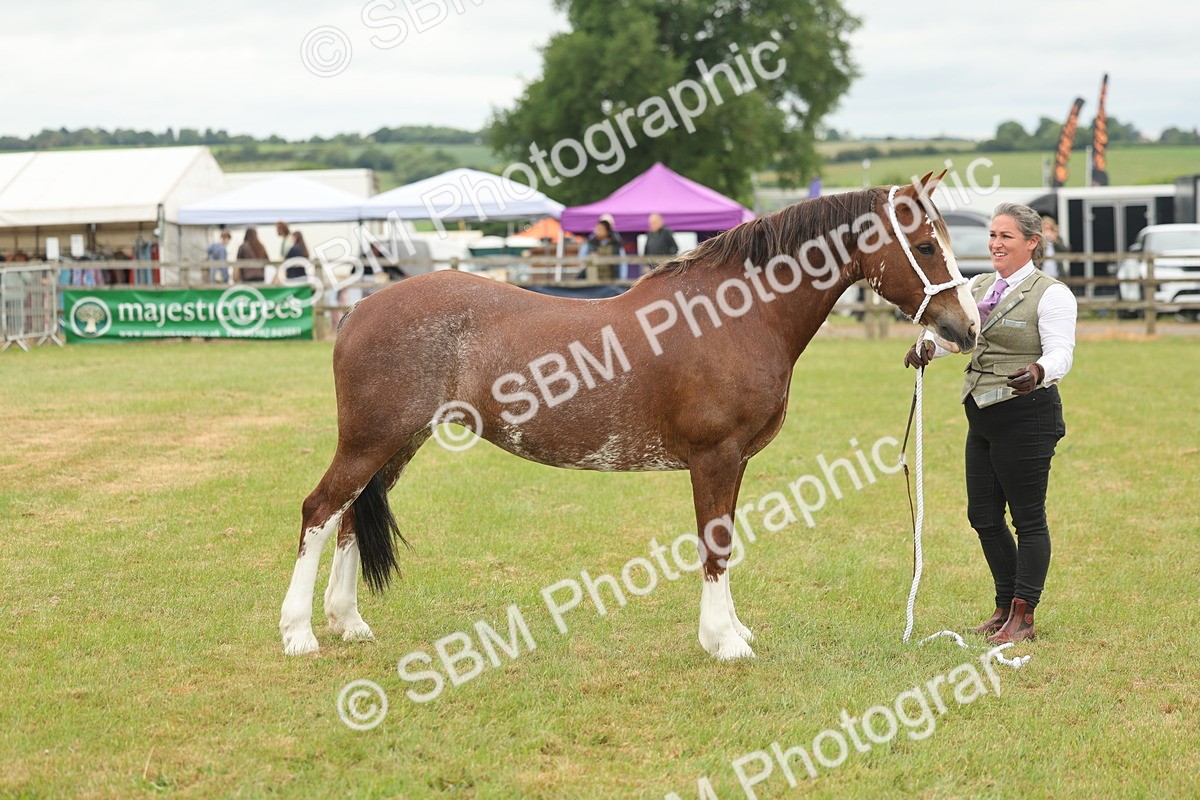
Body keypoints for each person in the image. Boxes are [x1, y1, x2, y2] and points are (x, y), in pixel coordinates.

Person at [904, 202, 1077, 645]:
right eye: (993, 235)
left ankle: (1025, 614)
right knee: (982, 515)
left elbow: (1061, 351)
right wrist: (929, 347)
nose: (995, 244)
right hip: (980, 414)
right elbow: (959, 338)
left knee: (1028, 519)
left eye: (1006, 237)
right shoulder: (978, 286)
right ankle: (1003, 606)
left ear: (1032, 243)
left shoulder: (1052, 293)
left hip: (1028, 415)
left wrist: (1039, 370)